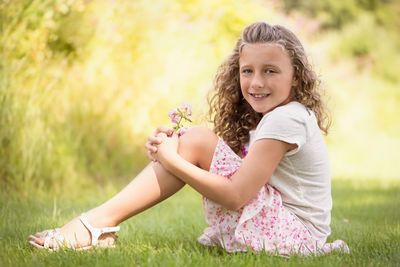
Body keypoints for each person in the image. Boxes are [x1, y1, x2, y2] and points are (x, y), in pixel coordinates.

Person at [29, 22, 349, 255]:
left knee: (193, 141)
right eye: (247, 71)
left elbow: (236, 195)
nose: (255, 82)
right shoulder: (276, 113)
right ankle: (100, 226)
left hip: (295, 237)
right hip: (288, 228)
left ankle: (95, 225)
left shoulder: (287, 117)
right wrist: (172, 149)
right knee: (191, 140)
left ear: (296, 75)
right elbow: (224, 158)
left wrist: (173, 159)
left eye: (270, 71)